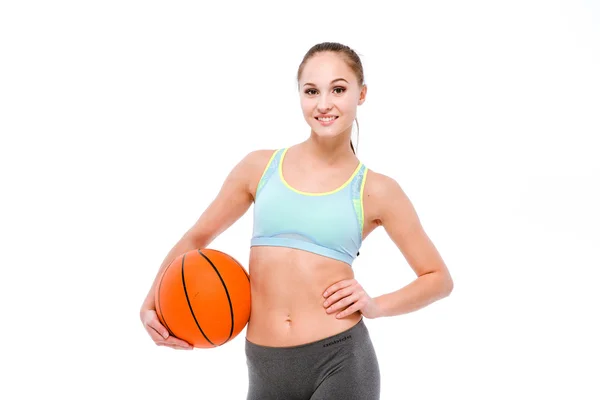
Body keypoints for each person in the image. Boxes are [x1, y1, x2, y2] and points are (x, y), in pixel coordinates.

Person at [140, 41, 454, 400]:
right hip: (265, 365)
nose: (324, 104)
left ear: (361, 94)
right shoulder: (259, 168)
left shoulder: (377, 190)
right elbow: (197, 237)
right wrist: (151, 303)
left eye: (338, 89)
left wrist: (376, 305)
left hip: (341, 360)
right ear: (300, 95)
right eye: (311, 91)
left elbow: (438, 279)